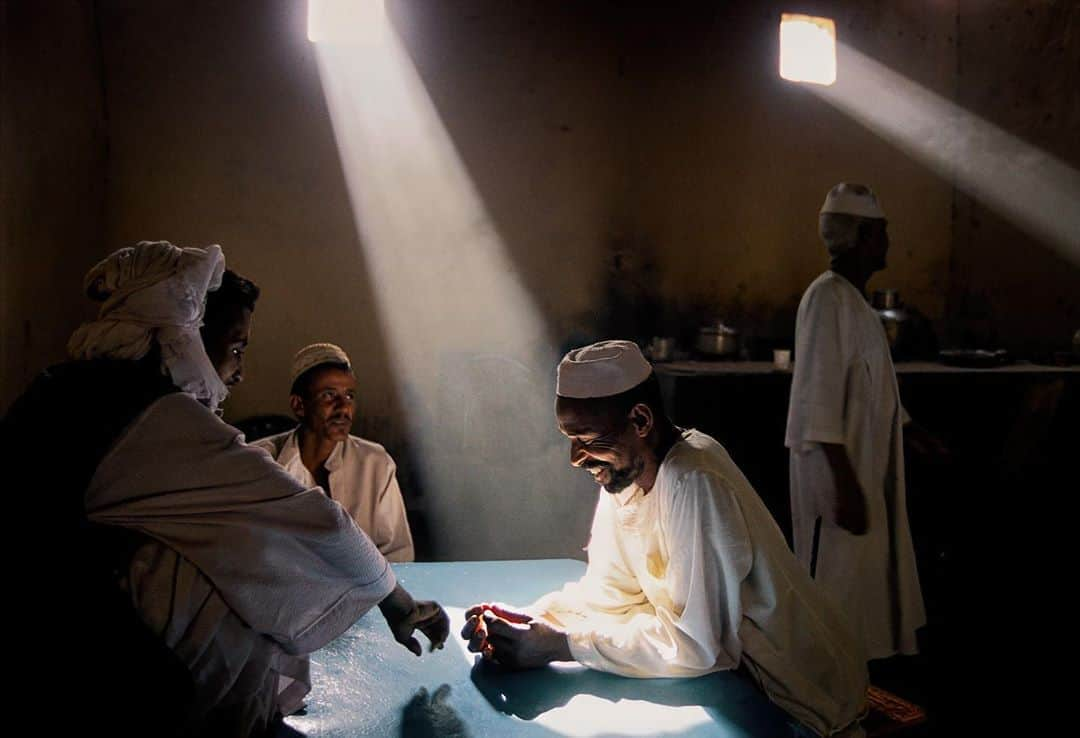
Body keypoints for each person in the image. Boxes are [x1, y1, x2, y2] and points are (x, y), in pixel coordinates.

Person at [1, 241, 447, 737]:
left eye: (349, 397)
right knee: (218, 570)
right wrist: (399, 603)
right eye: (234, 348)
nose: (239, 370)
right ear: (184, 335)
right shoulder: (154, 414)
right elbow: (309, 517)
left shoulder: (69, 383)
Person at [462, 340, 868, 737]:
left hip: (796, 695)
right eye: (570, 440)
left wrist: (561, 646)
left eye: (586, 440)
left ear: (640, 421)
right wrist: (538, 621)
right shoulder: (626, 477)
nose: (575, 458)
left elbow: (698, 646)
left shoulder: (694, 480)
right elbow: (613, 594)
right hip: (735, 679)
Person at [784, 184, 926, 662]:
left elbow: (874, 391)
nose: (889, 242)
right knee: (834, 592)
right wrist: (842, 485)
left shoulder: (857, 305)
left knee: (861, 595)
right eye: (883, 232)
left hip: (861, 471)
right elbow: (818, 402)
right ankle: (823, 702)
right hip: (838, 477)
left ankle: (856, 691)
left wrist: (913, 434)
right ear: (863, 235)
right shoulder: (826, 300)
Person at [255, 343, 414, 562]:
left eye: (349, 396)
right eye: (329, 395)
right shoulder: (261, 462)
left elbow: (398, 554)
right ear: (299, 405)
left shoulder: (375, 463)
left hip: (365, 594)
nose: (343, 408)